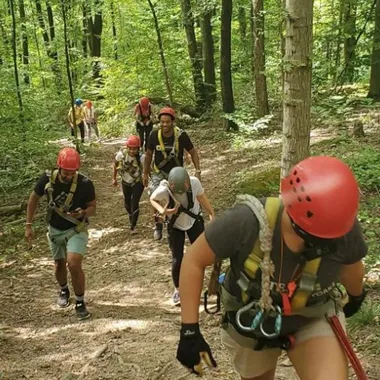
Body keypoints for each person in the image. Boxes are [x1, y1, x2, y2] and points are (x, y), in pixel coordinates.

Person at [176, 156, 368, 380]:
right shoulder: (245, 223)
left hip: (311, 315)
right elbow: (194, 260)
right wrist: (189, 330)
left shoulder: (342, 228)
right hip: (251, 318)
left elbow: (352, 268)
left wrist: (355, 297)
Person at [25, 147, 96, 321]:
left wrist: (83, 213)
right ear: (59, 167)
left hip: (76, 229)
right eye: (66, 172)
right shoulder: (47, 180)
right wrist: (28, 224)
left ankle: (80, 301)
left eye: (73, 173)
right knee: (59, 264)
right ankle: (64, 289)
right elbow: (33, 199)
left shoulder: (85, 183)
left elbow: (93, 207)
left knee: (73, 263)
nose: (69, 176)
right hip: (55, 229)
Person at [150, 167, 215, 305]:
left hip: (193, 221)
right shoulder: (164, 190)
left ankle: (197, 286)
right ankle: (178, 290)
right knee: (177, 259)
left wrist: (211, 213)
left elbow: (201, 197)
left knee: (200, 255)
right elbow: (152, 199)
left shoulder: (194, 183)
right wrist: (164, 210)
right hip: (176, 225)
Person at [143, 106, 201, 241]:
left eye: (167, 122)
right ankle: (157, 225)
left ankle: (183, 221)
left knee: (184, 196)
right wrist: (145, 174)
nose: (164, 125)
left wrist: (198, 170)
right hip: (159, 171)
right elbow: (148, 155)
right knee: (155, 195)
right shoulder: (153, 135)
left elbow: (193, 152)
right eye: (162, 122)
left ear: (172, 121)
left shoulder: (181, 135)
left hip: (177, 173)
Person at [113, 135, 144, 234]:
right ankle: (131, 215)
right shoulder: (121, 155)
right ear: (127, 147)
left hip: (138, 182)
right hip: (125, 182)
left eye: (135, 149)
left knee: (134, 203)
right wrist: (114, 178)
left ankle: (133, 226)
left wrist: (147, 179)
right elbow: (115, 165)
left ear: (138, 148)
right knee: (127, 203)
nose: (132, 151)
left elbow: (147, 169)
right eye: (130, 148)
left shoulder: (142, 157)